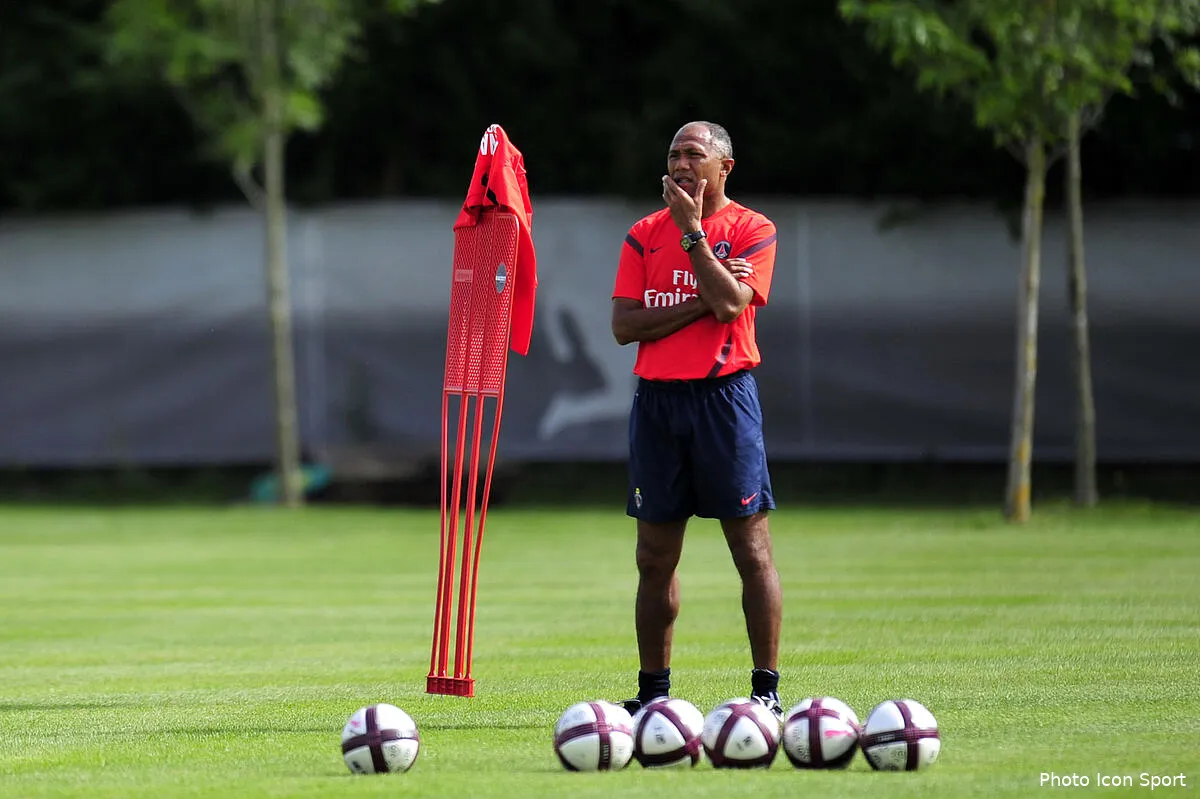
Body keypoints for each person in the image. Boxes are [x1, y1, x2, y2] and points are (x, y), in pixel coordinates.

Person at [610, 121, 783, 718]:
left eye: (694, 154)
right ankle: (653, 698)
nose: (681, 163)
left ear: (723, 167)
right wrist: (701, 302)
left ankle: (766, 694)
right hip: (657, 404)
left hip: (723, 401)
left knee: (751, 551)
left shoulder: (752, 229)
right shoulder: (641, 235)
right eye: (673, 154)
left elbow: (735, 303)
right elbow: (624, 327)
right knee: (654, 559)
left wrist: (692, 236)